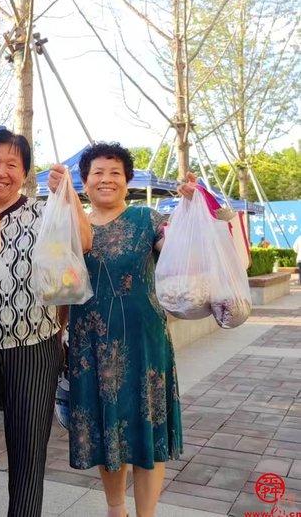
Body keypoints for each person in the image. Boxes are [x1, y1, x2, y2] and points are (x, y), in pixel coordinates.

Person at [48, 143, 195, 517]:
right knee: (105, 432)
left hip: (145, 344)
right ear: (84, 180)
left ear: (127, 181)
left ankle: (146, 513)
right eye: (97, 172)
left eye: (115, 172)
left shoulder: (148, 220)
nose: (106, 179)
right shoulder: (69, 222)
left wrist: (195, 209)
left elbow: (177, 246)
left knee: (147, 433)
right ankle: (116, 510)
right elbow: (57, 285)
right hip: (89, 346)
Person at [0, 130, 92, 517]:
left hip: (34, 347)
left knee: (29, 452)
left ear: (25, 174)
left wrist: (68, 194)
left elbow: (83, 242)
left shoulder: (42, 213)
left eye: (12, 165)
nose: (1, 171)